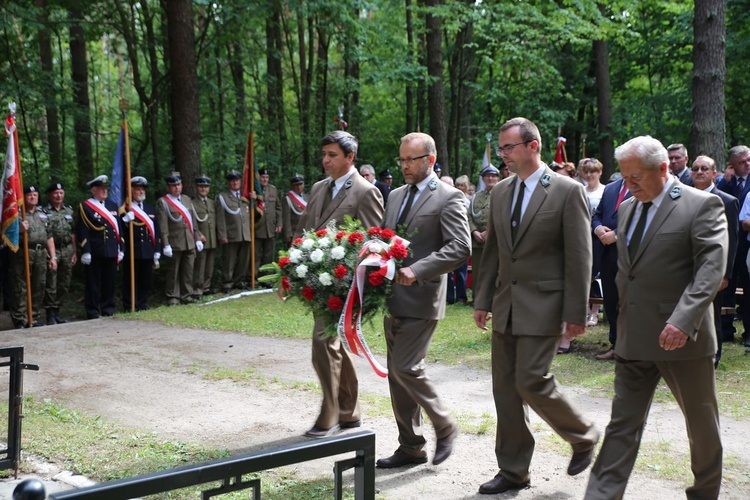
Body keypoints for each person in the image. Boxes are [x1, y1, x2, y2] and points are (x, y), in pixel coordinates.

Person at [585, 136, 726, 499]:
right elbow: (626, 271)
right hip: (634, 338)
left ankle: (705, 492)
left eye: (637, 178)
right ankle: (601, 494)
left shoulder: (701, 205)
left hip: (682, 337)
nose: (628, 185)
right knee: (622, 425)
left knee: (701, 422)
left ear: (663, 169)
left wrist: (683, 319)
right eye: (625, 177)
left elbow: (710, 270)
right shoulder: (629, 208)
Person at [473, 117, 598, 495]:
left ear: (534, 146)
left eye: (508, 148)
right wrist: (482, 300)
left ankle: (582, 435)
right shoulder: (501, 192)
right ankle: (513, 471)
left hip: (545, 304)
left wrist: (575, 313)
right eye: (501, 149)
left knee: (530, 380)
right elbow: (494, 249)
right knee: (505, 391)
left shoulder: (565, 190)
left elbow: (580, 256)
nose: (503, 156)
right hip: (506, 305)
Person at [376, 132, 471, 469]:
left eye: (410, 160)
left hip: (423, 295)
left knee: (407, 367)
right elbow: (388, 238)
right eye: (401, 159)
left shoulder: (449, 196)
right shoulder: (395, 195)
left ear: (430, 160)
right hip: (392, 296)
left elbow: (460, 246)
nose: (403, 166)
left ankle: (444, 425)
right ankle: (411, 446)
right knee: (395, 374)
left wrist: (417, 269)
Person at [295, 130, 384, 438]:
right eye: (324, 154)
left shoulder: (364, 191)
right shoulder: (319, 188)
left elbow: (374, 242)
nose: (326, 160)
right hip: (318, 282)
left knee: (323, 344)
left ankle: (330, 412)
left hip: (346, 285)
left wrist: (360, 283)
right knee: (334, 345)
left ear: (350, 157)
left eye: (332, 155)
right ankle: (349, 411)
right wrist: (292, 267)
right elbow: (304, 230)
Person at [691, 155, 738, 367]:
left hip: (713, 269)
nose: (699, 172)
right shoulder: (684, 198)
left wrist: (726, 274)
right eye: (696, 169)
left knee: (712, 316)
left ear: (714, 173)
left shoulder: (727, 201)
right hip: (687, 267)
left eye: (704, 169)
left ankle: (713, 356)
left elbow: (732, 240)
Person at [592, 174, 632, 360]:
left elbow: (645, 217)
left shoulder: (643, 186)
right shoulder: (610, 188)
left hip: (629, 256)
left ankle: (629, 347)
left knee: (628, 303)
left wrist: (616, 234)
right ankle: (615, 344)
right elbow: (598, 215)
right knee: (610, 301)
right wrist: (598, 228)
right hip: (607, 256)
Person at [718, 145, 750, 351]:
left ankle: (748, 332)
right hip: (729, 242)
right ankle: (726, 330)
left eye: (749, 160)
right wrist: (725, 181)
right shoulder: (726, 182)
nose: (747, 164)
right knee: (726, 285)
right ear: (732, 165)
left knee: (747, 289)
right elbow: (723, 202)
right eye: (742, 162)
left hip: (746, 243)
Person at [10, 185, 57, 328]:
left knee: (39, 285)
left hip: (41, 253)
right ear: (24, 197)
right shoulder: (16, 214)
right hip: (24, 252)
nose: (32, 197)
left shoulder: (42, 213)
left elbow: (49, 236)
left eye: (35, 195)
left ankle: (34, 317)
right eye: (29, 195)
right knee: (21, 286)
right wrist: (19, 229)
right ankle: (20, 318)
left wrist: (53, 257)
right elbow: (6, 235)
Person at [77, 175, 121, 319]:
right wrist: (85, 250)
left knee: (110, 282)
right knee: (93, 283)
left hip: (111, 249)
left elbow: (119, 229)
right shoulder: (85, 207)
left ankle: (108, 308)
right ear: (93, 190)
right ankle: (93, 310)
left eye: (105, 189)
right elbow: (83, 229)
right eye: (101, 189)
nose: (104, 191)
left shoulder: (113, 206)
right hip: (95, 251)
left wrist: (121, 248)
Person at [156, 172, 204, 306]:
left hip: (189, 241)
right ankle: (172, 297)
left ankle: (186, 295)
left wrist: (198, 238)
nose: (176, 187)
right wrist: (165, 244)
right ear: (168, 187)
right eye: (173, 185)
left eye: (178, 184)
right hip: (174, 242)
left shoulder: (187, 200)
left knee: (188, 270)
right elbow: (163, 225)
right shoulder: (163, 202)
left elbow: (193, 221)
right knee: (173, 271)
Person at [120, 176, 161, 311]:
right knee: (130, 280)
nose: (141, 192)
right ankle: (129, 305)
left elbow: (157, 230)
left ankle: (142, 304)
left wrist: (157, 250)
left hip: (148, 250)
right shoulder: (125, 209)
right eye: (138, 189)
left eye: (142, 189)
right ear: (131, 191)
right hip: (133, 251)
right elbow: (119, 230)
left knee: (145, 280)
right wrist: (125, 220)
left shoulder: (150, 208)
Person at [42, 181, 76, 325]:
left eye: (61, 193)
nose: (59, 195)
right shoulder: (44, 212)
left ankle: (57, 311)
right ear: (49, 194)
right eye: (56, 193)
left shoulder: (69, 211)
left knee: (64, 282)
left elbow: (74, 232)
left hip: (67, 249)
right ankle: (50, 314)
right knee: (51, 282)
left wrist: (75, 252)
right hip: (52, 249)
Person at [216, 170, 251, 293]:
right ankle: (227, 282)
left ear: (240, 181)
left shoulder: (246, 195)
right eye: (232, 180)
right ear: (228, 183)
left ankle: (239, 280)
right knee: (229, 260)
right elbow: (220, 218)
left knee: (244, 259)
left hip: (245, 233)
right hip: (231, 233)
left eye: (237, 180)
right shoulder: (222, 197)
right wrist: (222, 235)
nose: (235, 183)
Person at [468, 165, 500, 299]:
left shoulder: (502, 194)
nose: (490, 178)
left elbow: (501, 215)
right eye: (487, 176)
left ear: (498, 178)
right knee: (477, 271)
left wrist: (488, 232)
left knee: (493, 270)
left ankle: (492, 298)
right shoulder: (476, 196)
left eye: (493, 176)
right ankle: (477, 298)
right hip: (477, 241)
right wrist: (474, 231)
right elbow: (468, 216)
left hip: (494, 240)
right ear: (483, 178)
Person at [192, 174, 217, 297]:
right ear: (197, 187)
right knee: (200, 267)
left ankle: (206, 287)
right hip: (201, 239)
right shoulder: (192, 203)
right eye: (201, 186)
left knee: (209, 266)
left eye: (206, 187)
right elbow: (192, 222)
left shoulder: (212, 202)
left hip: (212, 238)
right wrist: (198, 235)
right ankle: (197, 289)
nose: (203, 189)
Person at [254, 168, 282, 274]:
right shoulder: (254, 190)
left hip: (270, 227)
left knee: (269, 254)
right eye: (263, 177)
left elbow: (278, 208)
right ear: (258, 177)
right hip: (257, 227)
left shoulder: (273, 189)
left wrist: (279, 223)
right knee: (256, 254)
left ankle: (267, 277)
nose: (265, 180)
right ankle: (254, 277)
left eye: (267, 177)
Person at [282, 174, 307, 245]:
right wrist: (288, 235)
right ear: (292, 186)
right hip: (295, 233)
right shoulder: (287, 198)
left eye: (300, 184)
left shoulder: (307, 197)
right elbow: (286, 218)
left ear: (304, 184)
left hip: (307, 232)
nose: (299, 187)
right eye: (296, 185)